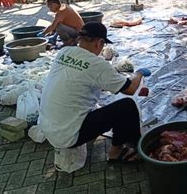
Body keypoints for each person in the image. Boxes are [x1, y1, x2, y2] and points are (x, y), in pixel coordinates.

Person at [40, 22, 151, 163]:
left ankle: (87, 134)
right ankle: (117, 152)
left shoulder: (64, 52)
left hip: (47, 126)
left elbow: (78, 78)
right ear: (100, 42)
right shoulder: (97, 64)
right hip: (67, 135)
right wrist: (139, 73)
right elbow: (130, 89)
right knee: (127, 106)